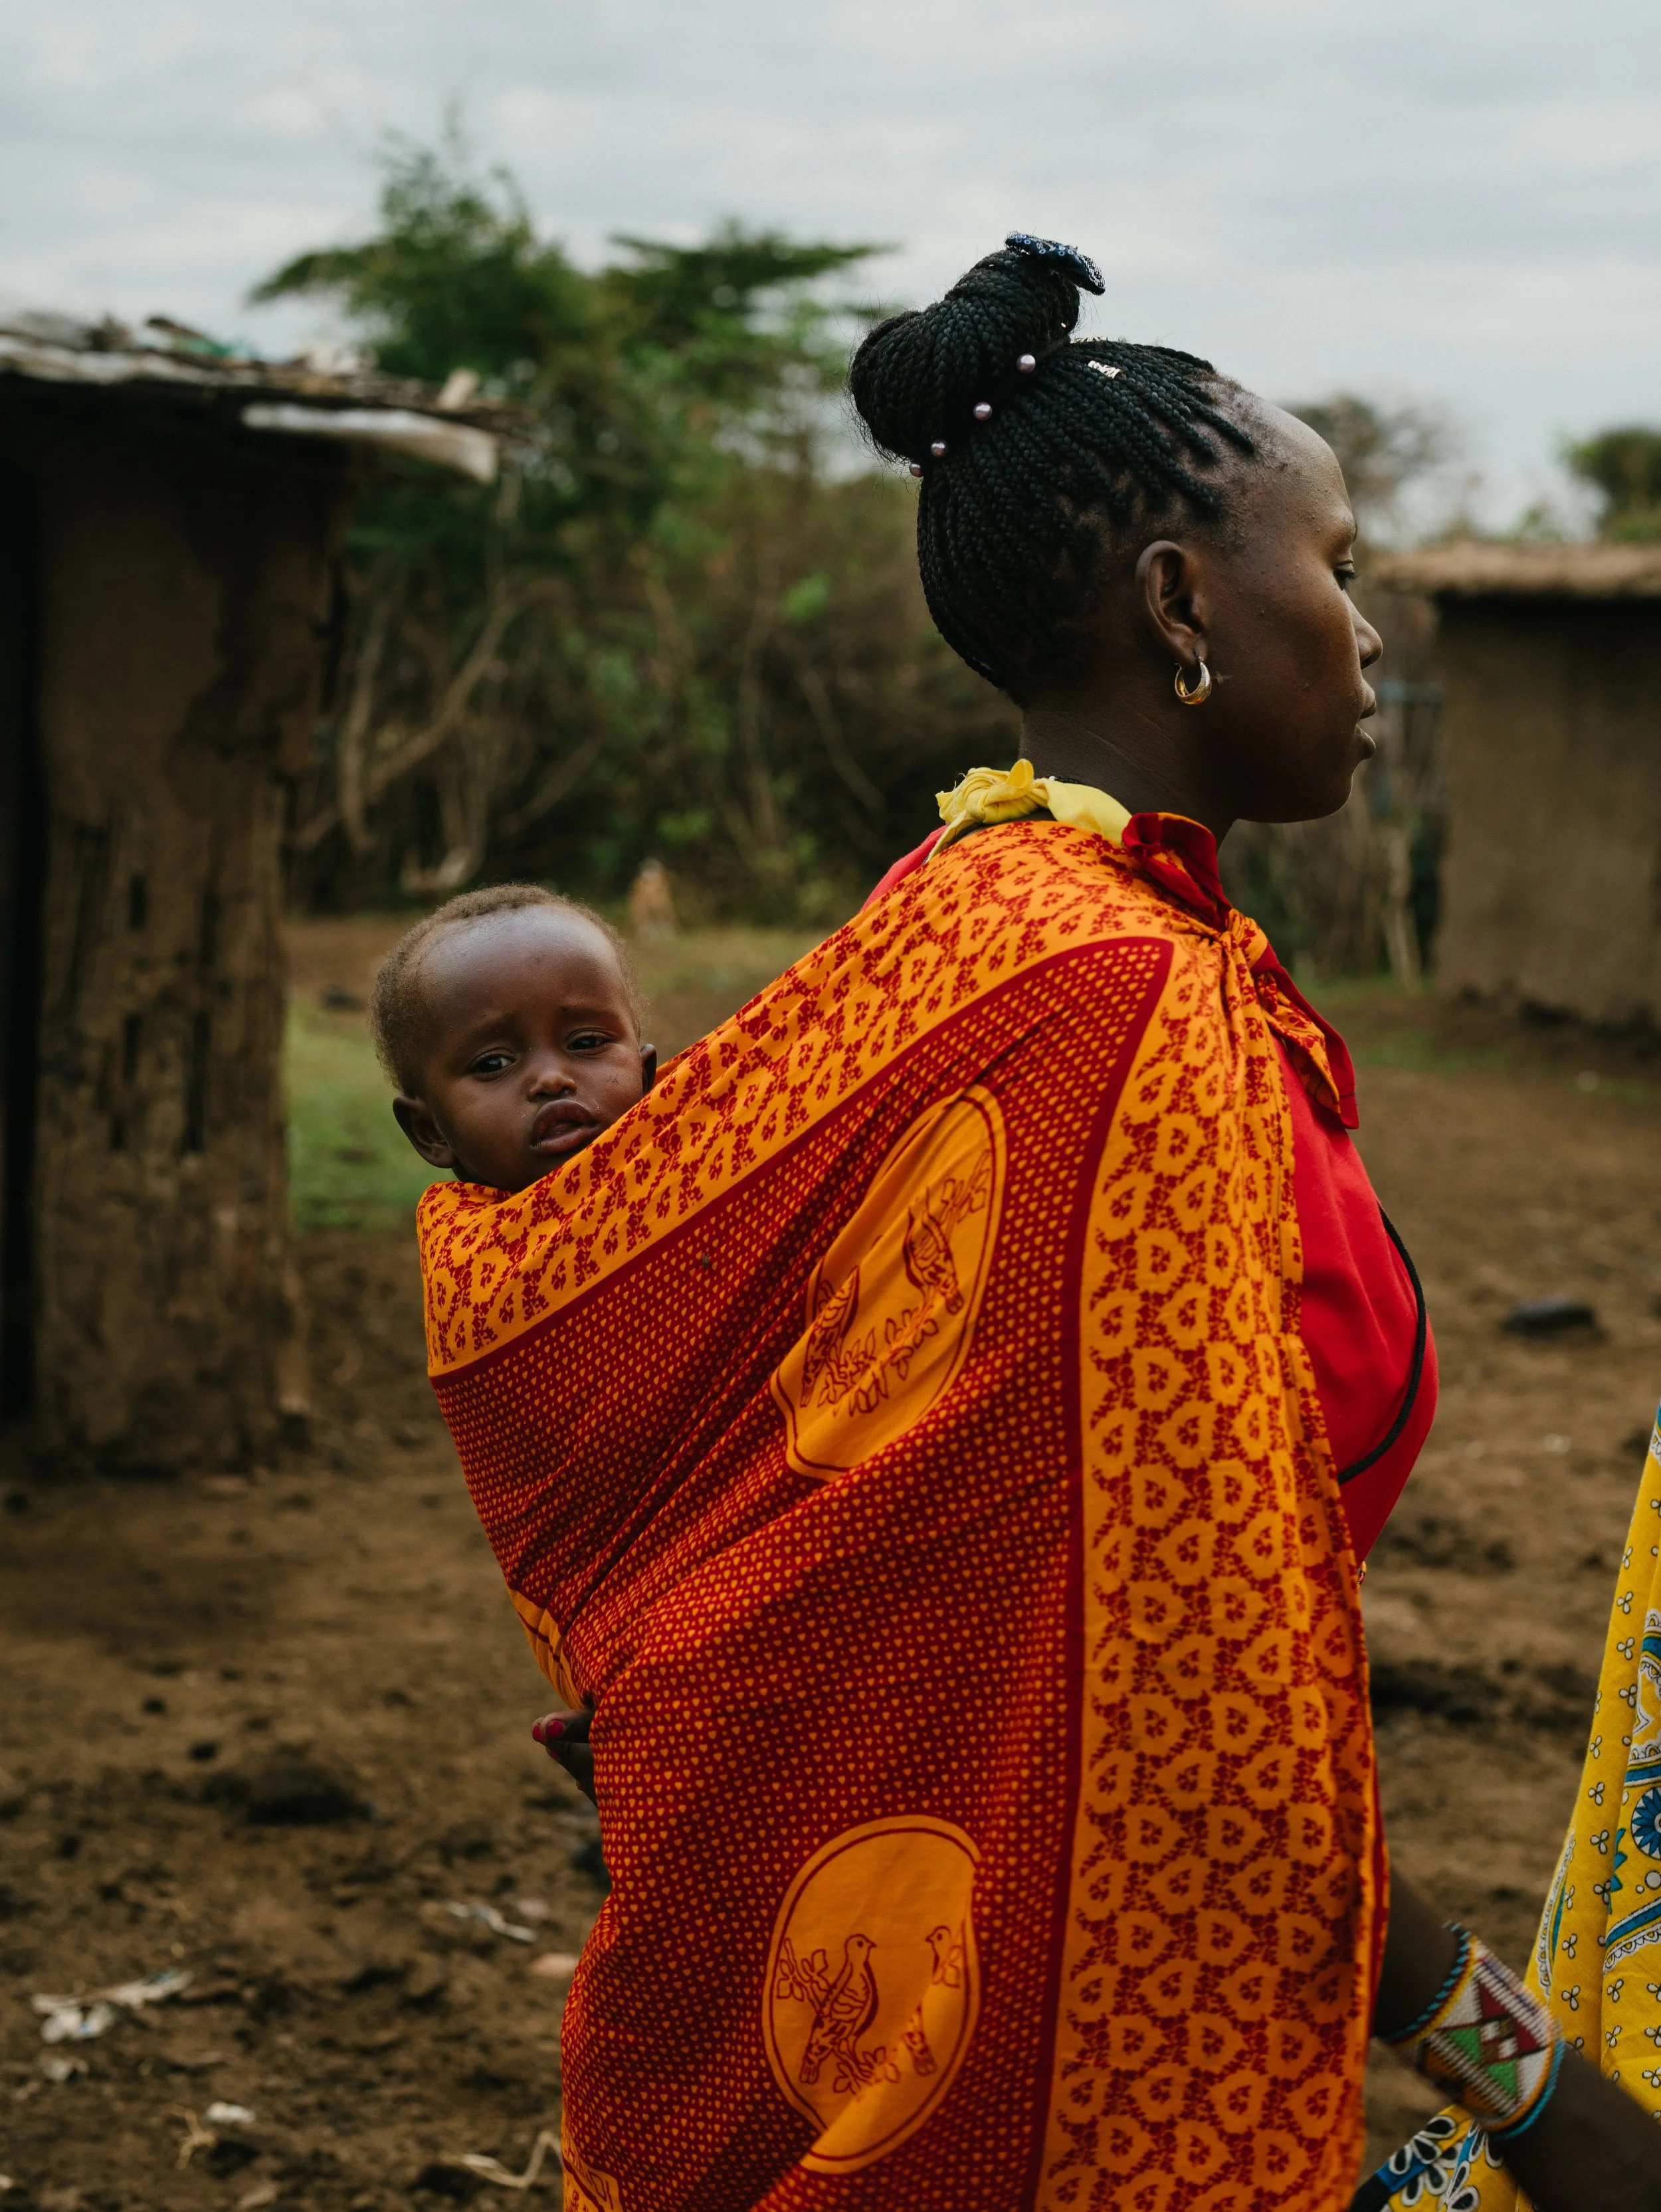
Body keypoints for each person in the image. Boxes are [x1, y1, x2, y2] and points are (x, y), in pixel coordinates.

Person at [408, 236, 1661, 2210]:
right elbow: (1189, 1716)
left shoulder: (995, 903)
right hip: (1060, 1880)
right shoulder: (1104, 990)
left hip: (1012, 1821)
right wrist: (1528, 2092)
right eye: (1333, 570)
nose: (1364, 635)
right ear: (1178, 604)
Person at [369, 883, 656, 1192]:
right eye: (494, 1063)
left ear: (645, 1078)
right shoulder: (468, 1239)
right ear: (431, 1131)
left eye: (586, 1043)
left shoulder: (702, 1172)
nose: (551, 1079)